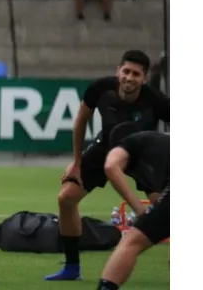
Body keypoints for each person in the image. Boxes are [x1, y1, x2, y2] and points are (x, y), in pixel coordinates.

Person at [44, 50, 170, 282]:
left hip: (142, 156)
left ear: (144, 78)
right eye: (126, 71)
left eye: (136, 74)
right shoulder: (100, 89)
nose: (130, 77)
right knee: (66, 198)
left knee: (167, 212)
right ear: (118, 72)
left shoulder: (157, 101)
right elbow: (81, 120)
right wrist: (77, 162)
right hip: (106, 148)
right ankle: (72, 268)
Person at [97, 128, 169, 290]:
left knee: (131, 241)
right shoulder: (158, 147)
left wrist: (139, 210)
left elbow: (110, 166)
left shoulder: (129, 143)